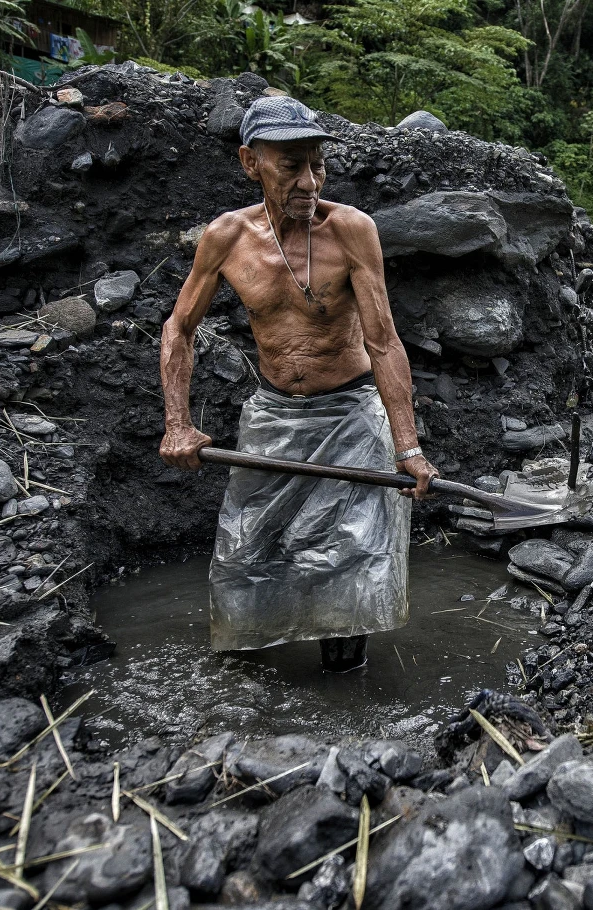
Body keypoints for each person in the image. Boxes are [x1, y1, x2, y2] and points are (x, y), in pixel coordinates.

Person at [157, 96, 438, 672]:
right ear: (249, 162)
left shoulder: (353, 231)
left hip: (352, 418)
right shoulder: (226, 238)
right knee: (246, 554)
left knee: (350, 558)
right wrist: (178, 424)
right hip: (273, 419)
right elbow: (178, 329)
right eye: (291, 165)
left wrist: (407, 447)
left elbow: (384, 341)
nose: (310, 181)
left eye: (318, 164)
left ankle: (343, 695)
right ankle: (242, 693)